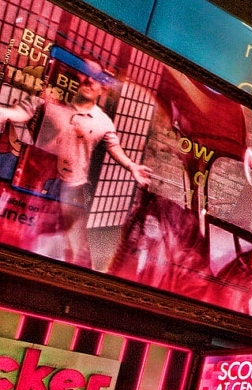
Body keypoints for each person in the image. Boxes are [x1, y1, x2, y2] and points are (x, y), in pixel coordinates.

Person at [0, 52, 152, 266]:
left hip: (73, 189)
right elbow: (21, 112)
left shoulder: (103, 121)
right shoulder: (49, 99)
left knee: (70, 248)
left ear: (103, 87)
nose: (89, 80)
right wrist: (4, 112)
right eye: (84, 72)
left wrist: (132, 166)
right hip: (36, 179)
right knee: (25, 231)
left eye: (96, 77)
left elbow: (113, 146)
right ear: (73, 76)